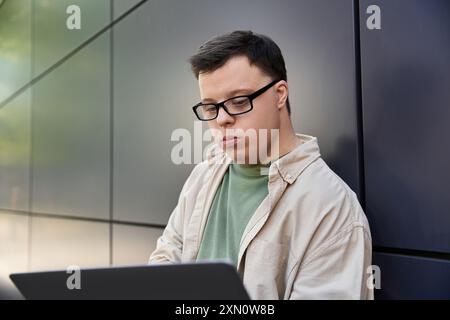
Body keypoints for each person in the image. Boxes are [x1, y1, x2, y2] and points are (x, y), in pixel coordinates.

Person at [149, 30, 373, 300]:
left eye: (239, 101)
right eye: (210, 107)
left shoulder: (332, 209)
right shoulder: (204, 175)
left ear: (280, 94)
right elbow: (164, 264)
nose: (222, 119)